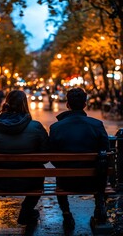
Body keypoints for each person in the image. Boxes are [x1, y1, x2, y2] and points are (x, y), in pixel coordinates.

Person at [0, 89, 49, 225]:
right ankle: (26, 210)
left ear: (7, 104)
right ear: (25, 104)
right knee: (39, 169)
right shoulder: (36, 126)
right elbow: (46, 156)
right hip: (30, 182)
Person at [49, 87, 109, 230]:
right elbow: (106, 151)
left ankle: (66, 213)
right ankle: (99, 208)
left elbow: (52, 157)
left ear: (67, 105)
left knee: (60, 171)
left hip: (65, 182)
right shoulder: (97, 125)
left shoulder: (56, 127)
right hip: (93, 181)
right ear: (85, 104)